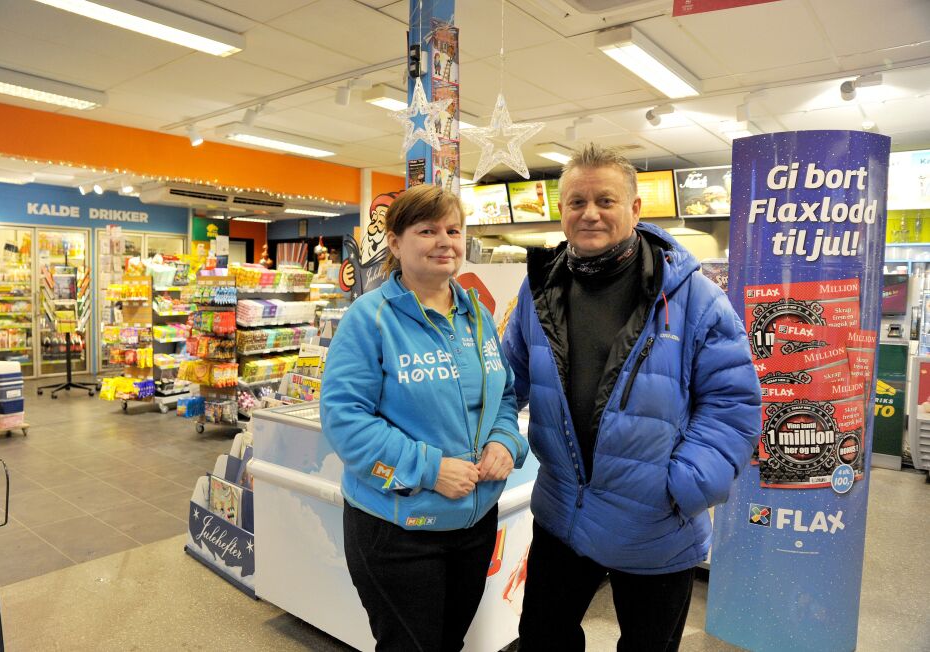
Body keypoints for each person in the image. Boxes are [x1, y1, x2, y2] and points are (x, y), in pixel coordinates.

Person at [502, 145, 760, 651]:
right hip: (561, 513)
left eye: (606, 200)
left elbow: (733, 405)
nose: (590, 213)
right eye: (577, 201)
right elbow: (504, 380)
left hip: (655, 522)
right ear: (562, 212)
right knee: (541, 639)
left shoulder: (693, 296)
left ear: (635, 209)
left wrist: (682, 487)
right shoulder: (541, 291)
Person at [320, 183, 528, 652]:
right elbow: (344, 419)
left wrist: (504, 441)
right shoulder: (369, 318)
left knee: (448, 643)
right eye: (427, 230)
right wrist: (430, 469)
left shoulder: (475, 315)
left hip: (473, 525)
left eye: (453, 230)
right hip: (397, 529)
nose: (444, 241)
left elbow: (504, 396)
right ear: (395, 242)